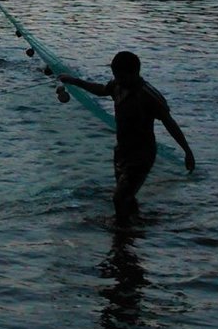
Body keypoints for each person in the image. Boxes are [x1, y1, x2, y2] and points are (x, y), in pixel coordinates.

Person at [58, 51, 195, 224]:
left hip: (142, 154)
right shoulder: (117, 86)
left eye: (121, 76)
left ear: (134, 73)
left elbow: (170, 123)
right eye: (115, 76)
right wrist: (74, 81)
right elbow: (101, 90)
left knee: (119, 198)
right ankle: (134, 229)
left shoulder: (148, 95)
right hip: (122, 151)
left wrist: (187, 151)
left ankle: (121, 233)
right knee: (127, 198)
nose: (118, 80)